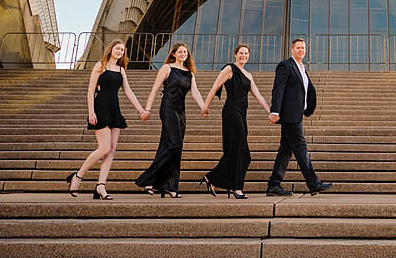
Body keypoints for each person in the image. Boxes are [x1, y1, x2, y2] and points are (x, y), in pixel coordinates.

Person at [66, 39, 149, 199]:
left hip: (114, 110)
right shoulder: (100, 66)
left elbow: (128, 91)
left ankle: (101, 186)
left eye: (122, 50)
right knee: (103, 149)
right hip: (101, 108)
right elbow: (90, 91)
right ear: (111, 49)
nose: (120, 52)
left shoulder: (120, 70)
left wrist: (141, 110)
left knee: (111, 151)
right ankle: (77, 176)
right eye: (117, 49)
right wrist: (91, 112)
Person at [135, 42, 205, 198]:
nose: (182, 54)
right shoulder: (167, 68)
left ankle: (170, 186)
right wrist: (147, 109)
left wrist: (203, 107)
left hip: (181, 111)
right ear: (173, 53)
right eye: (179, 52)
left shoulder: (189, 72)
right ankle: (148, 178)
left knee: (173, 147)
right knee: (175, 144)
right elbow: (154, 89)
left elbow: (195, 92)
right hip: (168, 107)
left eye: (185, 52)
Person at [200, 44, 271, 199]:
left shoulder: (248, 75)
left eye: (246, 53)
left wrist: (270, 112)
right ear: (235, 54)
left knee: (245, 155)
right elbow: (214, 87)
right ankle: (236, 188)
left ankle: (212, 177)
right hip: (231, 111)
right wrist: (205, 107)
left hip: (242, 112)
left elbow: (257, 94)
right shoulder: (229, 69)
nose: (243, 56)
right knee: (238, 149)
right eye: (241, 53)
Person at [266, 38, 333, 196]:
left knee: (286, 150)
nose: (301, 50)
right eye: (298, 48)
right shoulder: (285, 65)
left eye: (303, 48)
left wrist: (306, 108)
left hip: (296, 114)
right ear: (292, 49)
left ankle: (274, 184)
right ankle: (313, 183)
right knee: (301, 148)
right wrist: (275, 111)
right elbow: (278, 88)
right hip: (289, 115)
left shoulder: (302, 68)